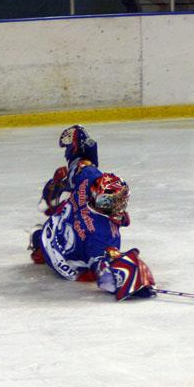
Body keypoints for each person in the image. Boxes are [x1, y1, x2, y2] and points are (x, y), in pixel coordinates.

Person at [28, 125, 156, 301]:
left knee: (63, 188)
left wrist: (81, 145)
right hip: (69, 267)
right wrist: (132, 281)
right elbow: (104, 274)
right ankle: (39, 234)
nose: (117, 205)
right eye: (110, 201)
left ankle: (46, 212)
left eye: (118, 200)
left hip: (50, 235)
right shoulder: (102, 235)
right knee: (86, 267)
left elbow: (80, 162)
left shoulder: (88, 179)